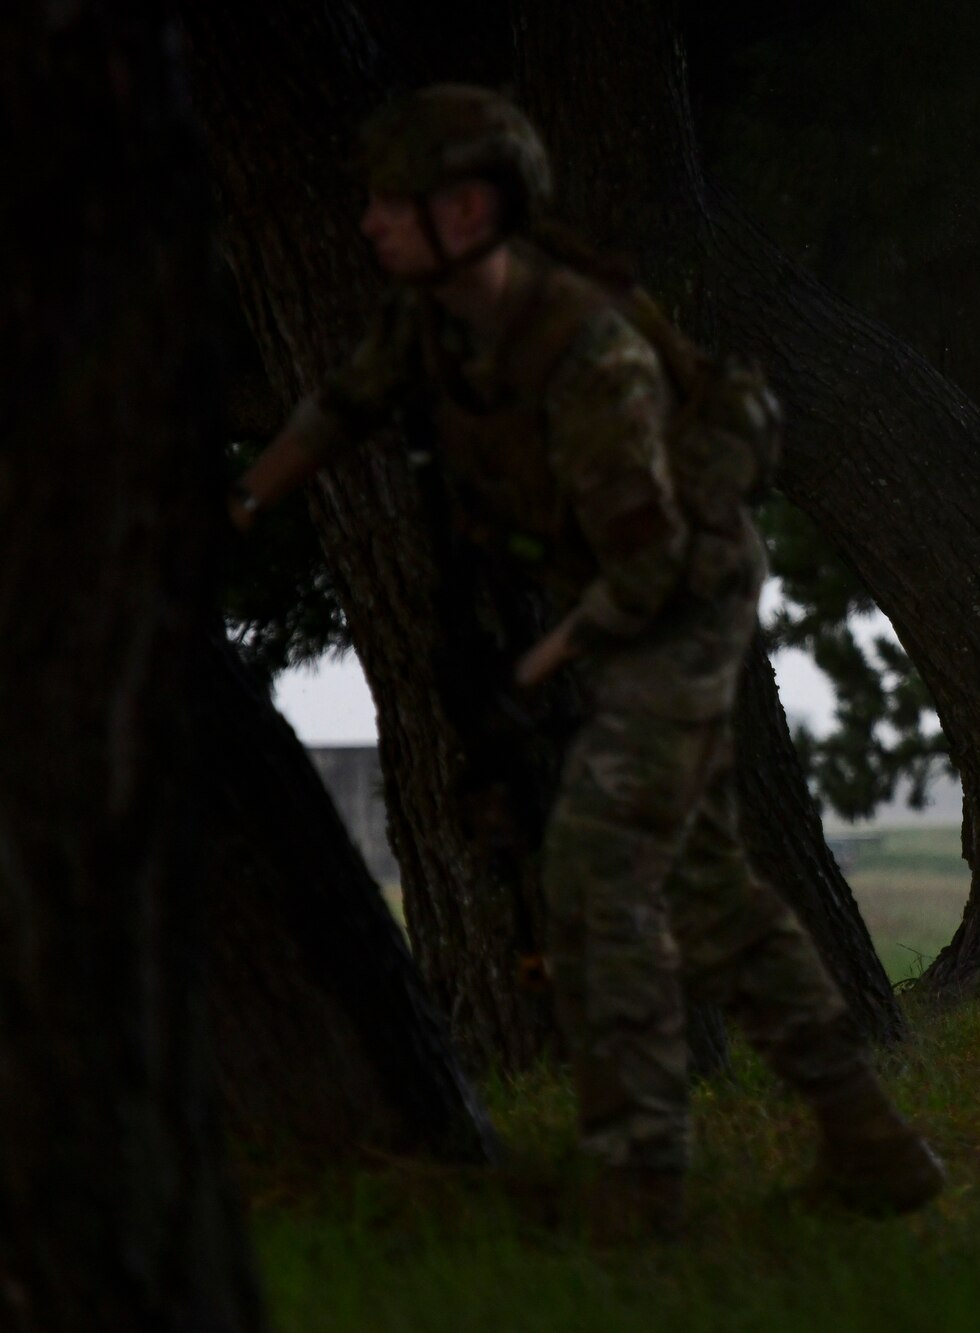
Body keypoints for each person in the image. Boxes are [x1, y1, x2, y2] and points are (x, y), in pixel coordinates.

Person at [228, 84, 943, 1229]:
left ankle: (638, 1179)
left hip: (674, 610)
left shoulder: (589, 353)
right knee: (708, 889)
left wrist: (539, 663)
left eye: (391, 205)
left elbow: (652, 568)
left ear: (466, 212)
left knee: (598, 870)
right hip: (611, 607)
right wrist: (239, 507)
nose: (367, 225)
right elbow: (337, 410)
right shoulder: (435, 322)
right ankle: (870, 1140)